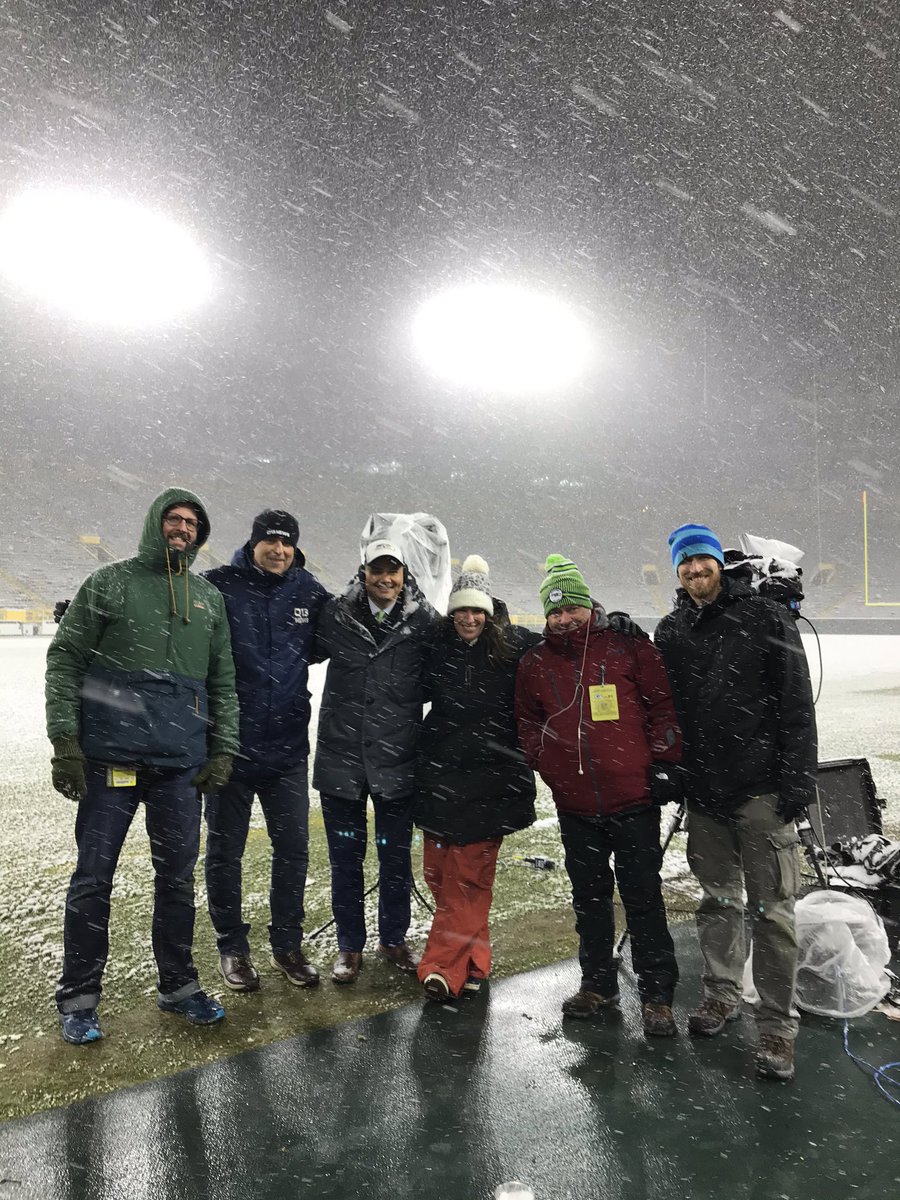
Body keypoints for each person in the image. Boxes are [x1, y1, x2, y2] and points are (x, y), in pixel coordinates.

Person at [45, 488, 240, 1044]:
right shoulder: (109, 583)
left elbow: (222, 680)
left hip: (179, 766)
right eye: (174, 519)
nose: (182, 529)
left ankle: (178, 986)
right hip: (110, 764)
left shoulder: (207, 598)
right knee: (92, 880)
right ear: (155, 524)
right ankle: (79, 997)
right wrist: (66, 741)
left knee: (177, 881)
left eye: (192, 523)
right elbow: (65, 658)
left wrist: (223, 748)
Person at [654, 523, 817, 1082]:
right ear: (677, 571)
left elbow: (797, 703)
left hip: (761, 790)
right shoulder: (671, 630)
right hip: (705, 793)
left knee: (773, 912)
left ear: (717, 563)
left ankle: (777, 1025)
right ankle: (722, 994)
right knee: (718, 900)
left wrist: (798, 778)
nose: (696, 573)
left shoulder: (765, 618)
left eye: (702, 562)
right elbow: (665, 712)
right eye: (685, 566)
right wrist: (670, 769)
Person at [515, 554, 682, 1038]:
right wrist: (542, 758)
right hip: (576, 807)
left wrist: (665, 763)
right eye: (555, 611)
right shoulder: (536, 662)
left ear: (590, 606)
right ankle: (597, 983)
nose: (564, 618)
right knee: (588, 899)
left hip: (633, 800)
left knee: (643, 898)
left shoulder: (628, 647)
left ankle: (657, 994)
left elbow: (663, 706)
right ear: (546, 615)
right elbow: (526, 721)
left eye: (572, 608)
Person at [203, 510, 330, 992]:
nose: (279, 550)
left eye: (287, 543)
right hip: (229, 749)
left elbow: (358, 623)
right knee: (224, 853)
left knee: (294, 851)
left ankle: (287, 945)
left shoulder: (310, 592)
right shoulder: (218, 585)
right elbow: (170, 617)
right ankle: (231, 947)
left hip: (287, 752)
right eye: (270, 541)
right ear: (253, 542)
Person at [414, 555, 539, 1003]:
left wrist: (607, 622)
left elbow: (567, 648)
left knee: (466, 881)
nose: (469, 618)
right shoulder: (436, 646)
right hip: (440, 780)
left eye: (477, 610)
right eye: (461, 610)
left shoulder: (516, 646)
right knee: (439, 876)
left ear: (488, 612)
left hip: (492, 783)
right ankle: (475, 962)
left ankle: (441, 969)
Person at [312, 537, 437, 984]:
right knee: (345, 858)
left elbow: (462, 651)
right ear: (362, 571)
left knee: (395, 857)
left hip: (397, 760)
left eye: (394, 570)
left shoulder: (424, 622)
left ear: (405, 574)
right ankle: (349, 946)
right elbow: (293, 650)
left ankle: (393, 938)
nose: (385, 578)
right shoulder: (334, 614)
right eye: (377, 569)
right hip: (341, 760)